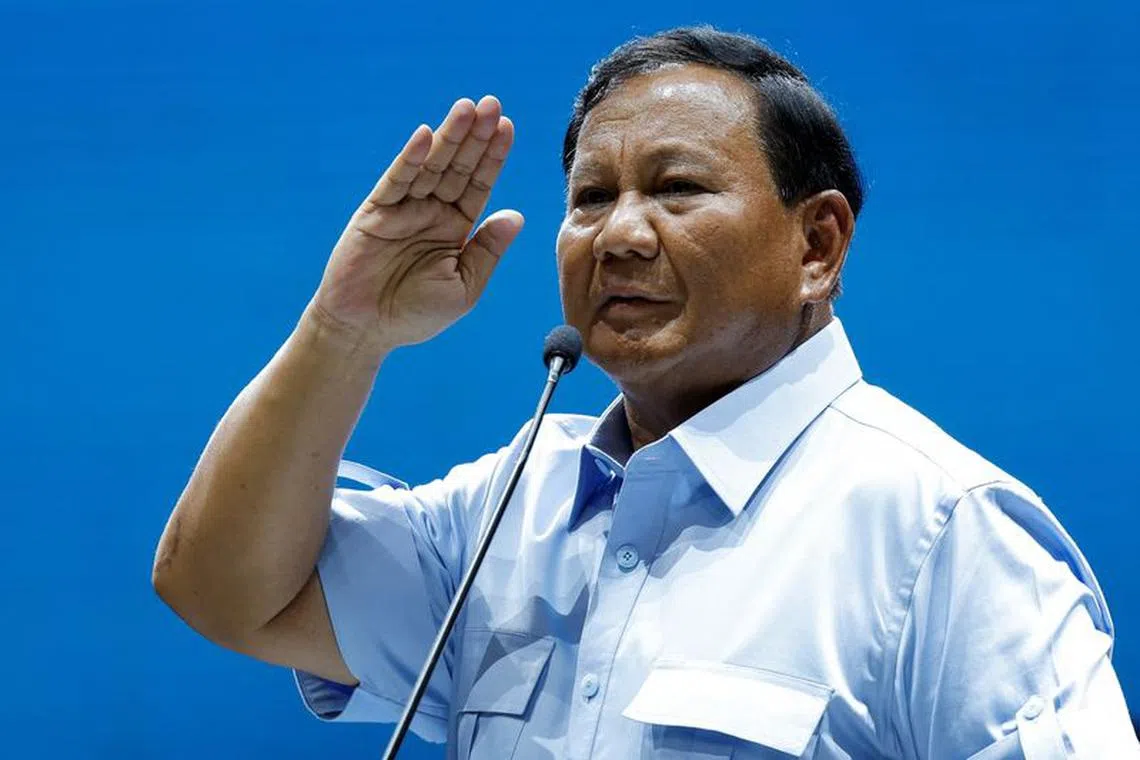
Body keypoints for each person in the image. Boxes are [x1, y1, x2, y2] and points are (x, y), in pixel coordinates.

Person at [152, 25, 1139, 759]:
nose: (619, 233)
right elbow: (221, 589)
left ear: (817, 245)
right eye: (591, 197)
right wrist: (344, 327)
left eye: (676, 188)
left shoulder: (941, 533)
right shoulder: (515, 504)